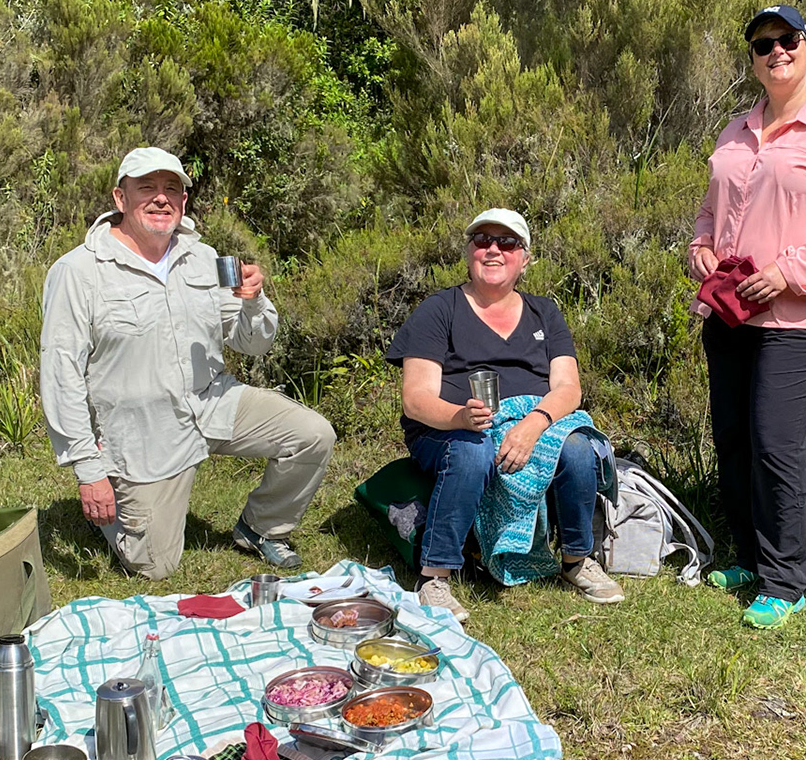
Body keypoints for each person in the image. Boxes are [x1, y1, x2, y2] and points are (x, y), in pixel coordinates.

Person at [40, 147, 336, 580]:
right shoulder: (78, 271)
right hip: (142, 431)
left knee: (312, 435)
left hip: (212, 401)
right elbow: (60, 375)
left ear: (182, 201)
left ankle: (262, 528)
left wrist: (253, 303)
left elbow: (253, 344)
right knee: (156, 566)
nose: (161, 199)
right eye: (147, 188)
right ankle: (113, 509)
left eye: (172, 189)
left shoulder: (203, 258)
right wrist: (89, 469)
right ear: (119, 199)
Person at [690, 5, 806, 630]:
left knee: (775, 442)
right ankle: (748, 554)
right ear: (752, 59)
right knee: (736, 438)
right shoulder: (734, 129)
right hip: (729, 312)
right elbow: (709, 211)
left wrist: (791, 271)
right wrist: (701, 251)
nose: (775, 52)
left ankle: (784, 577)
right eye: (762, 44)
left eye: (787, 40)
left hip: (802, 315)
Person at [383, 208, 625, 622]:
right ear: (468, 252)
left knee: (579, 449)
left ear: (524, 258)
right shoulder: (439, 310)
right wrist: (460, 416)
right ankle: (435, 576)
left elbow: (569, 388)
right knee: (473, 452)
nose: (493, 249)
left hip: (531, 420)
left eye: (507, 242)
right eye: (483, 240)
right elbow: (416, 399)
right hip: (449, 426)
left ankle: (576, 559)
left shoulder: (544, 313)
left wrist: (533, 426)